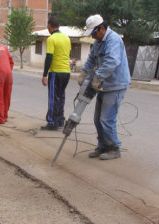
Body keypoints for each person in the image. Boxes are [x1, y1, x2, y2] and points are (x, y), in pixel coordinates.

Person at [81, 14, 130, 160]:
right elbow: (91, 58)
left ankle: (114, 148)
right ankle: (102, 146)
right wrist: (84, 72)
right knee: (98, 119)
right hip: (103, 84)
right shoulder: (98, 41)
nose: (92, 37)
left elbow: (111, 61)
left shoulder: (113, 39)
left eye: (93, 33)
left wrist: (97, 77)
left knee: (107, 119)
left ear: (101, 28)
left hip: (116, 85)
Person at [41, 16, 71, 130]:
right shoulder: (66, 38)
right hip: (66, 72)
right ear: (58, 26)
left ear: (49, 26)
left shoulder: (51, 39)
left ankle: (52, 123)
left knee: (53, 97)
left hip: (56, 72)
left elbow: (49, 57)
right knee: (61, 96)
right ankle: (60, 120)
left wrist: (44, 74)